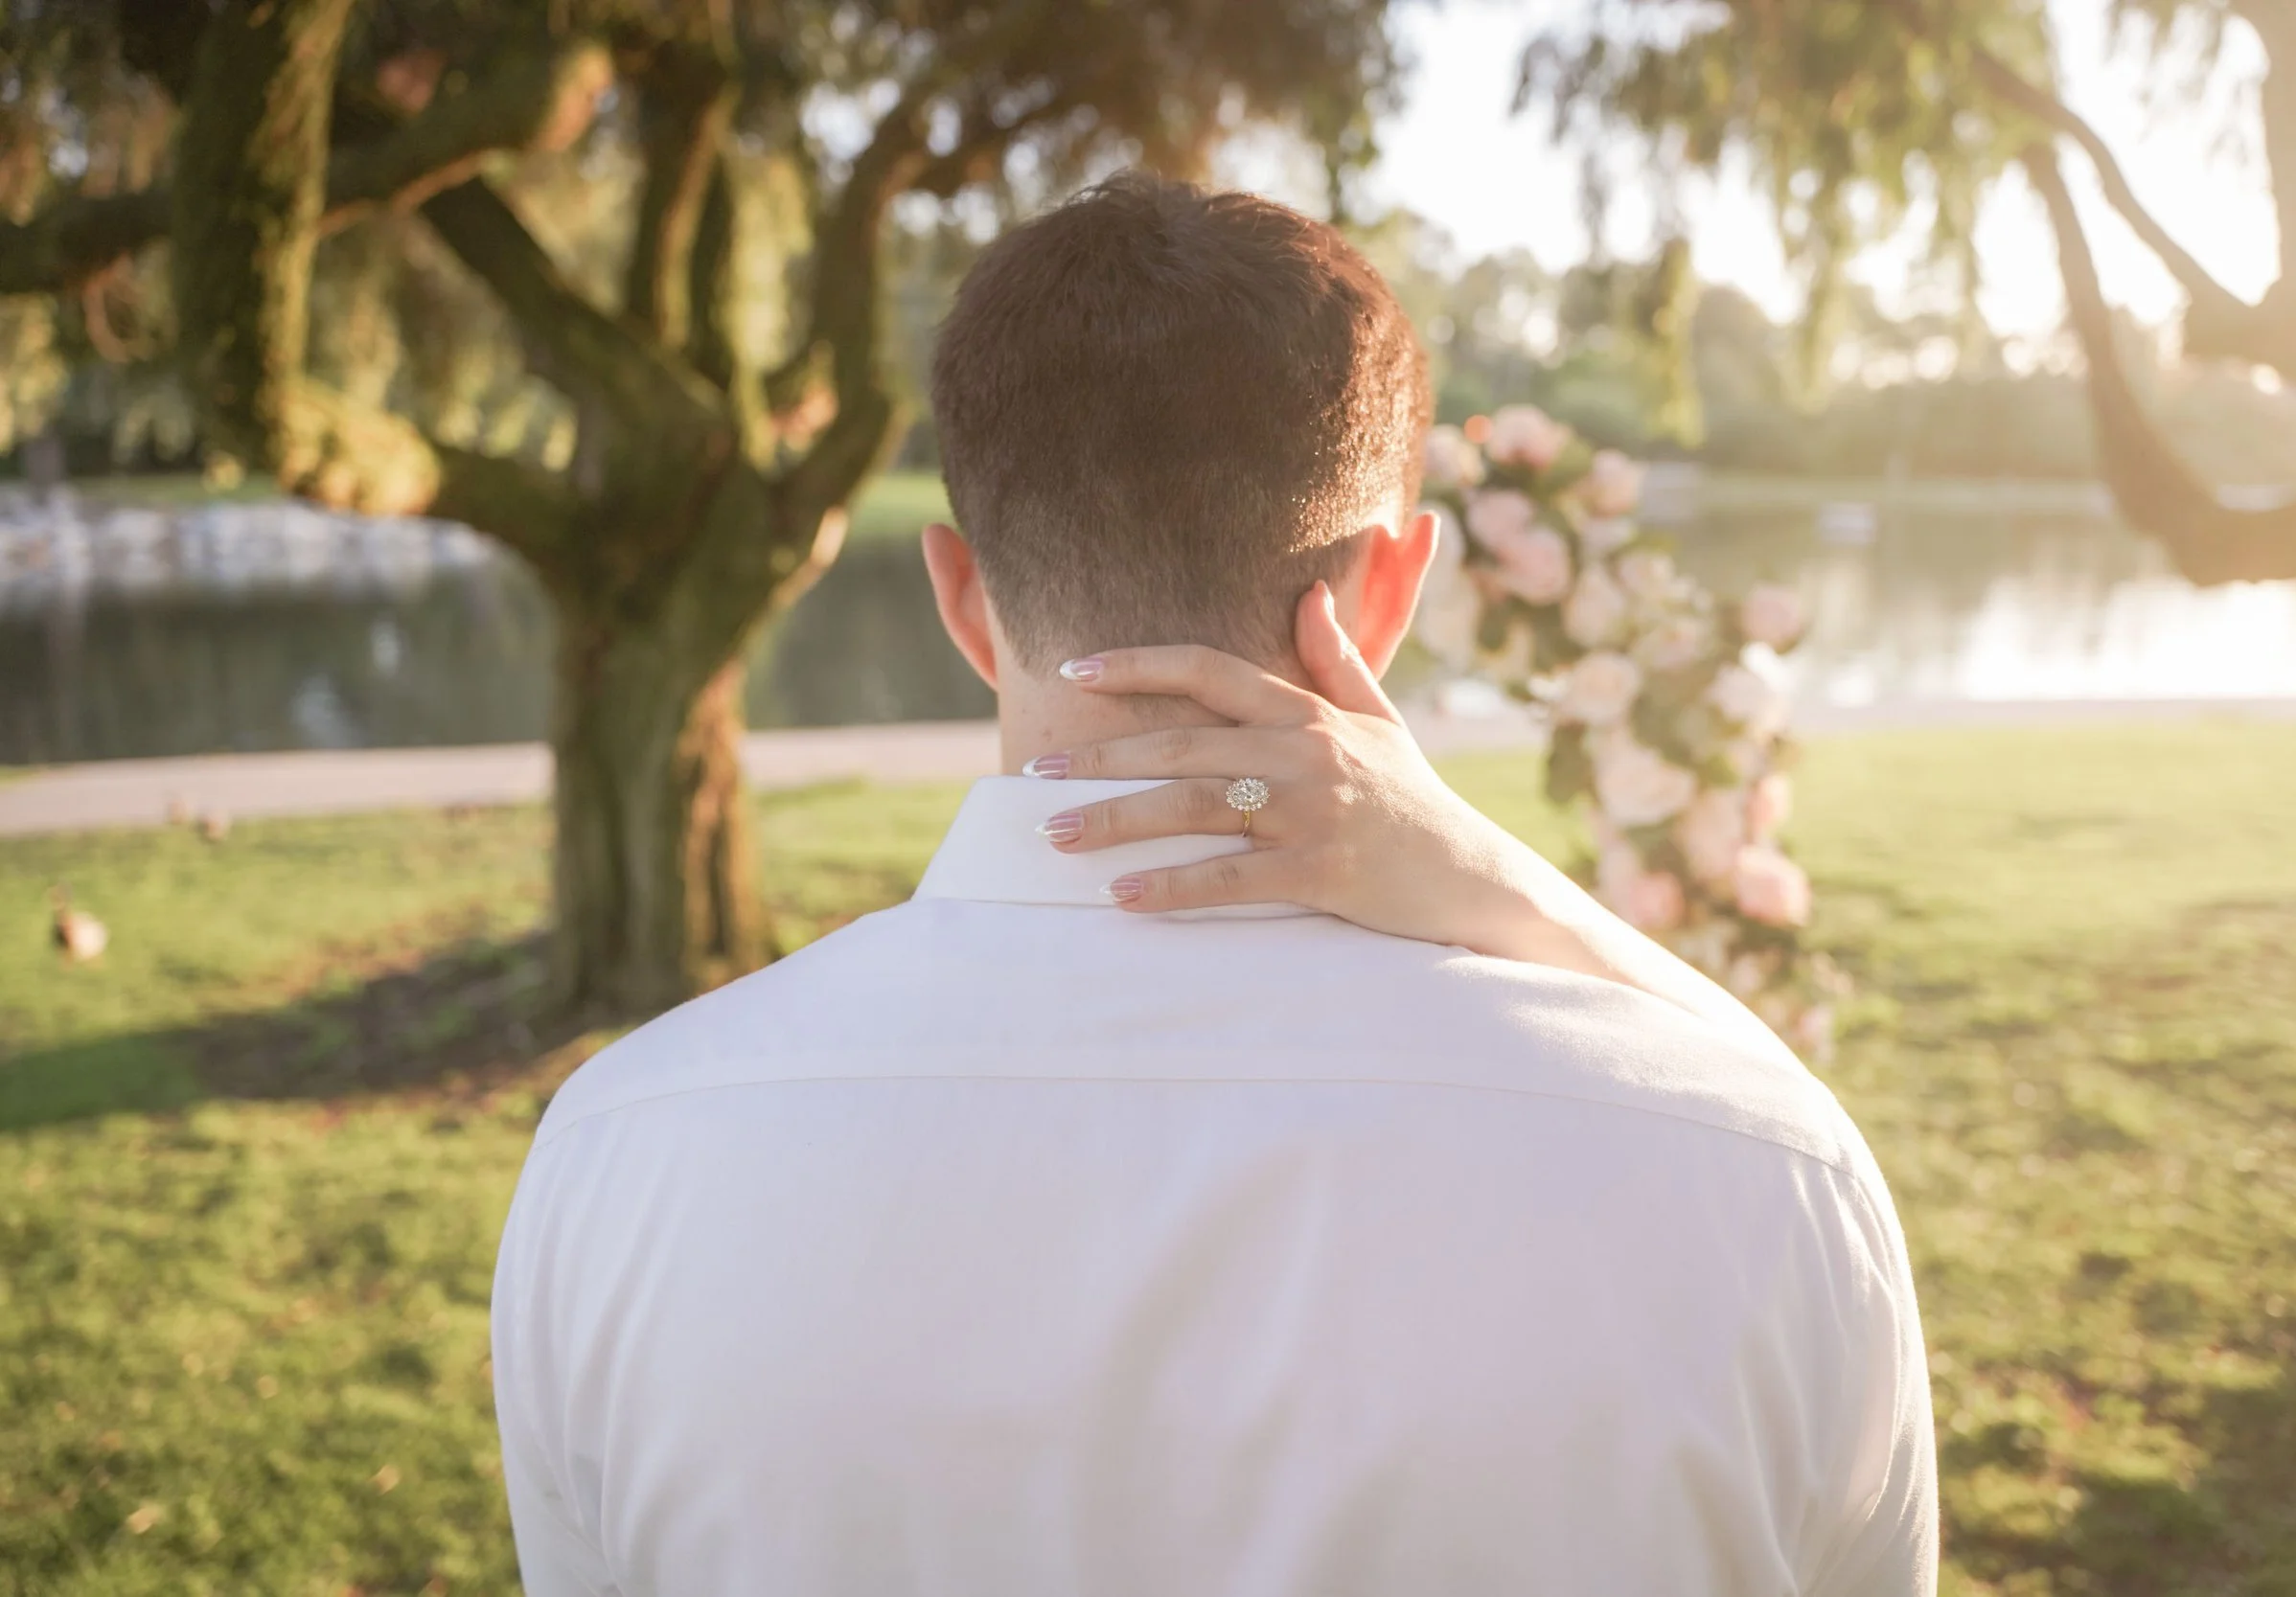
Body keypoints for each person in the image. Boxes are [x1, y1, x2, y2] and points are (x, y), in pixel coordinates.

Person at [492, 173, 1936, 1595]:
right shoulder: (1767, 1176)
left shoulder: (619, 1153)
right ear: (1391, 589)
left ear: (963, 599)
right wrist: (1505, 884)